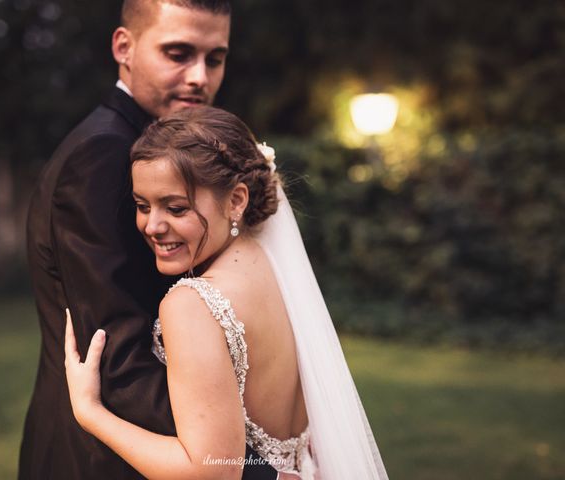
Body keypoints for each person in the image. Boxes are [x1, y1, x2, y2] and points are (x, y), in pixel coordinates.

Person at [20, 1, 276, 478]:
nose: (200, 76)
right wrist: (260, 469)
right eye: (178, 53)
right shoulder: (104, 153)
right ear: (124, 47)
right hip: (103, 462)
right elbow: (116, 356)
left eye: (214, 58)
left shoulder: (179, 148)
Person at [64, 106, 390, 479]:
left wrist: (92, 414)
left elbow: (212, 471)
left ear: (236, 201)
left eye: (175, 207)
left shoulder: (192, 304)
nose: (152, 225)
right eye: (142, 205)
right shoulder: (272, 261)